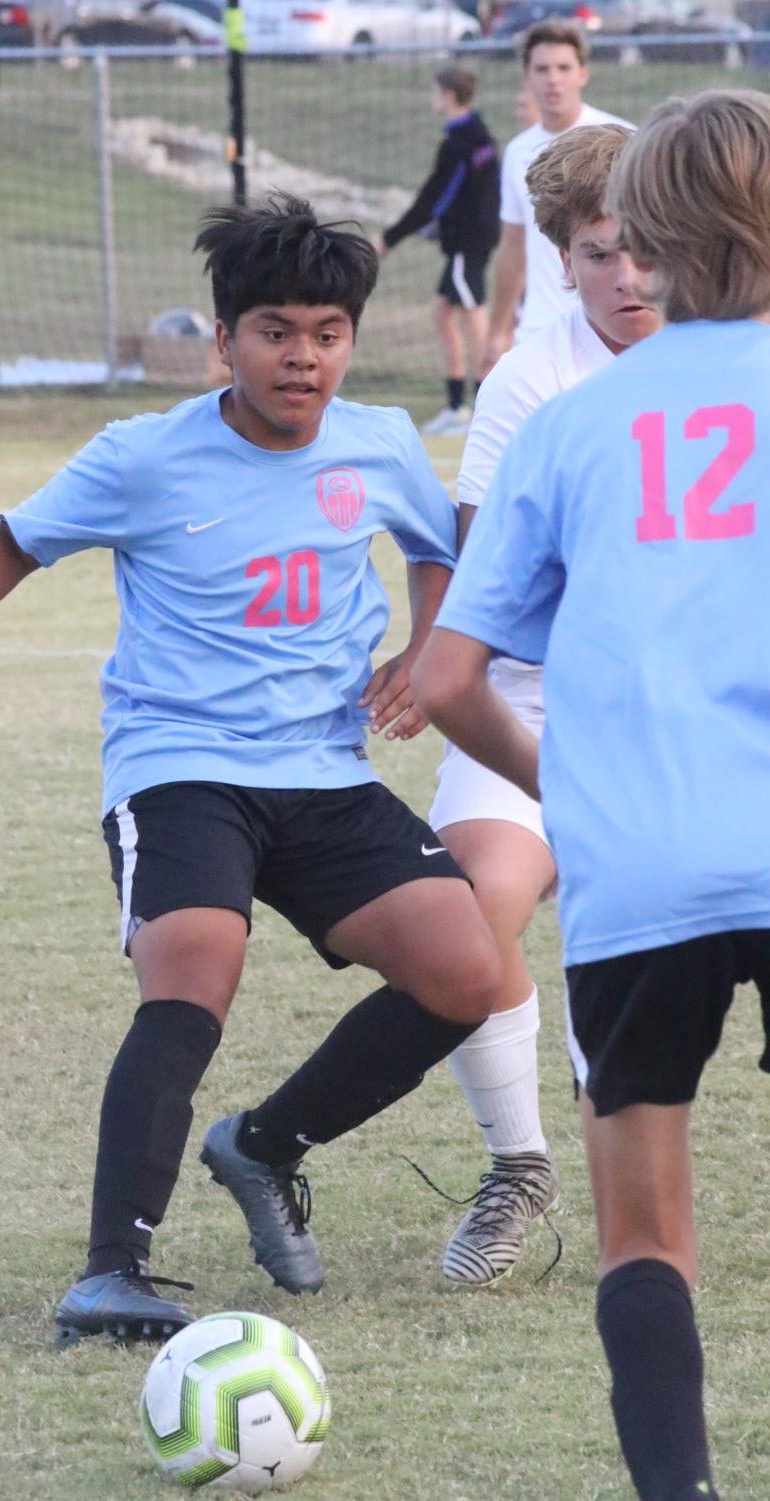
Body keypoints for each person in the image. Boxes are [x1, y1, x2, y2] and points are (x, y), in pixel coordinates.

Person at [0, 194, 500, 1345]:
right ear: (222, 342)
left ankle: (262, 1145)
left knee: (466, 969)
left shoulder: (381, 443)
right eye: (271, 330)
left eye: (323, 331)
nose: (298, 355)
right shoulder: (144, 455)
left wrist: (424, 648)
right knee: (194, 967)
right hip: (179, 764)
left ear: (348, 341)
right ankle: (111, 1271)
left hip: (321, 767)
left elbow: (438, 546)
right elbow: (10, 542)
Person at [413, 88, 770, 1501]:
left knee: (643, 1233)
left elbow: (444, 680)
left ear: (655, 232)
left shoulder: (574, 422)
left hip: (640, 871)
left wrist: (581, 782)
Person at [431, 124, 660, 1287]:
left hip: (677, 721)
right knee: (469, 917)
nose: (628, 278)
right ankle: (516, 1167)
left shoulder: (729, 358)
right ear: (561, 263)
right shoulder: (530, 383)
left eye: (645, 250)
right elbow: (485, 594)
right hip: (526, 709)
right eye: (599, 255)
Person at [482, 21, 629, 373]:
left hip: (606, 329)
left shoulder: (623, 141)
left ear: (583, 74)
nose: (553, 79)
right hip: (539, 329)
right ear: (527, 76)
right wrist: (497, 331)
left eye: (564, 68)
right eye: (542, 69)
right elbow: (513, 248)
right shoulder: (518, 152)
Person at [376, 66, 500, 437]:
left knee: (474, 316)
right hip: (468, 240)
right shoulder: (479, 137)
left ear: (448, 96)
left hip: (469, 245)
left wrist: (388, 239)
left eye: (434, 92)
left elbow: (432, 199)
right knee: (443, 313)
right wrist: (440, 226)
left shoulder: (462, 142)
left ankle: (486, 406)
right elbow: (457, 197)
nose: (432, 99)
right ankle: (456, 405)